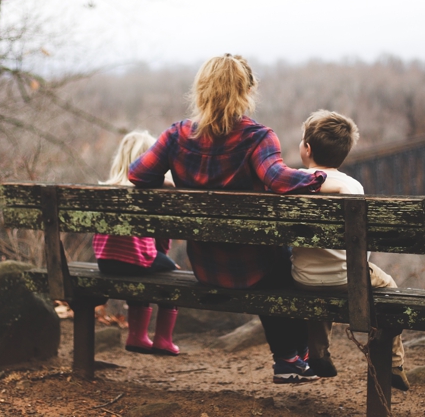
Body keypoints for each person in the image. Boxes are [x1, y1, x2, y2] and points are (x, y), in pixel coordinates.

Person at [128, 54, 343, 384]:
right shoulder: (257, 137)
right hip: (255, 269)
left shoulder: (176, 135)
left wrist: (171, 182)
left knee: (276, 262)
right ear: (246, 91)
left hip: (205, 267)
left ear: (200, 90)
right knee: (289, 266)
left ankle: (291, 359)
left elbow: (137, 174)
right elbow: (278, 180)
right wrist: (319, 178)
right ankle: (291, 358)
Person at [291, 109, 410, 391]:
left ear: (306, 149)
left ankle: (318, 353)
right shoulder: (352, 186)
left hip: (303, 279)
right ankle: (394, 362)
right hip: (348, 278)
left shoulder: (292, 182)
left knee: (319, 282)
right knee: (389, 286)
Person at [93, 130, 180, 356]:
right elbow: (161, 237)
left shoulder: (106, 189)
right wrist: (165, 258)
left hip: (105, 262)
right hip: (136, 260)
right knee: (172, 275)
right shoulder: (149, 192)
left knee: (142, 267)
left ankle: (137, 336)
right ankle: (162, 340)